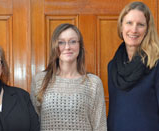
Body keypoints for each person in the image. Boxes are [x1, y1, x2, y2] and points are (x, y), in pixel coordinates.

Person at [31, 23, 107, 131]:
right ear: (55, 46)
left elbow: (100, 127)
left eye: (73, 41)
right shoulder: (40, 80)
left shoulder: (93, 83)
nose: (67, 47)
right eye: (61, 42)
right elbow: (34, 123)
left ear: (80, 46)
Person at [107, 2, 159, 131]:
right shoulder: (112, 66)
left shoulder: (156, 64)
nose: (134, 30)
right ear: (121, 27)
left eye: (140, 25)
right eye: (129, 23)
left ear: (147, 30)